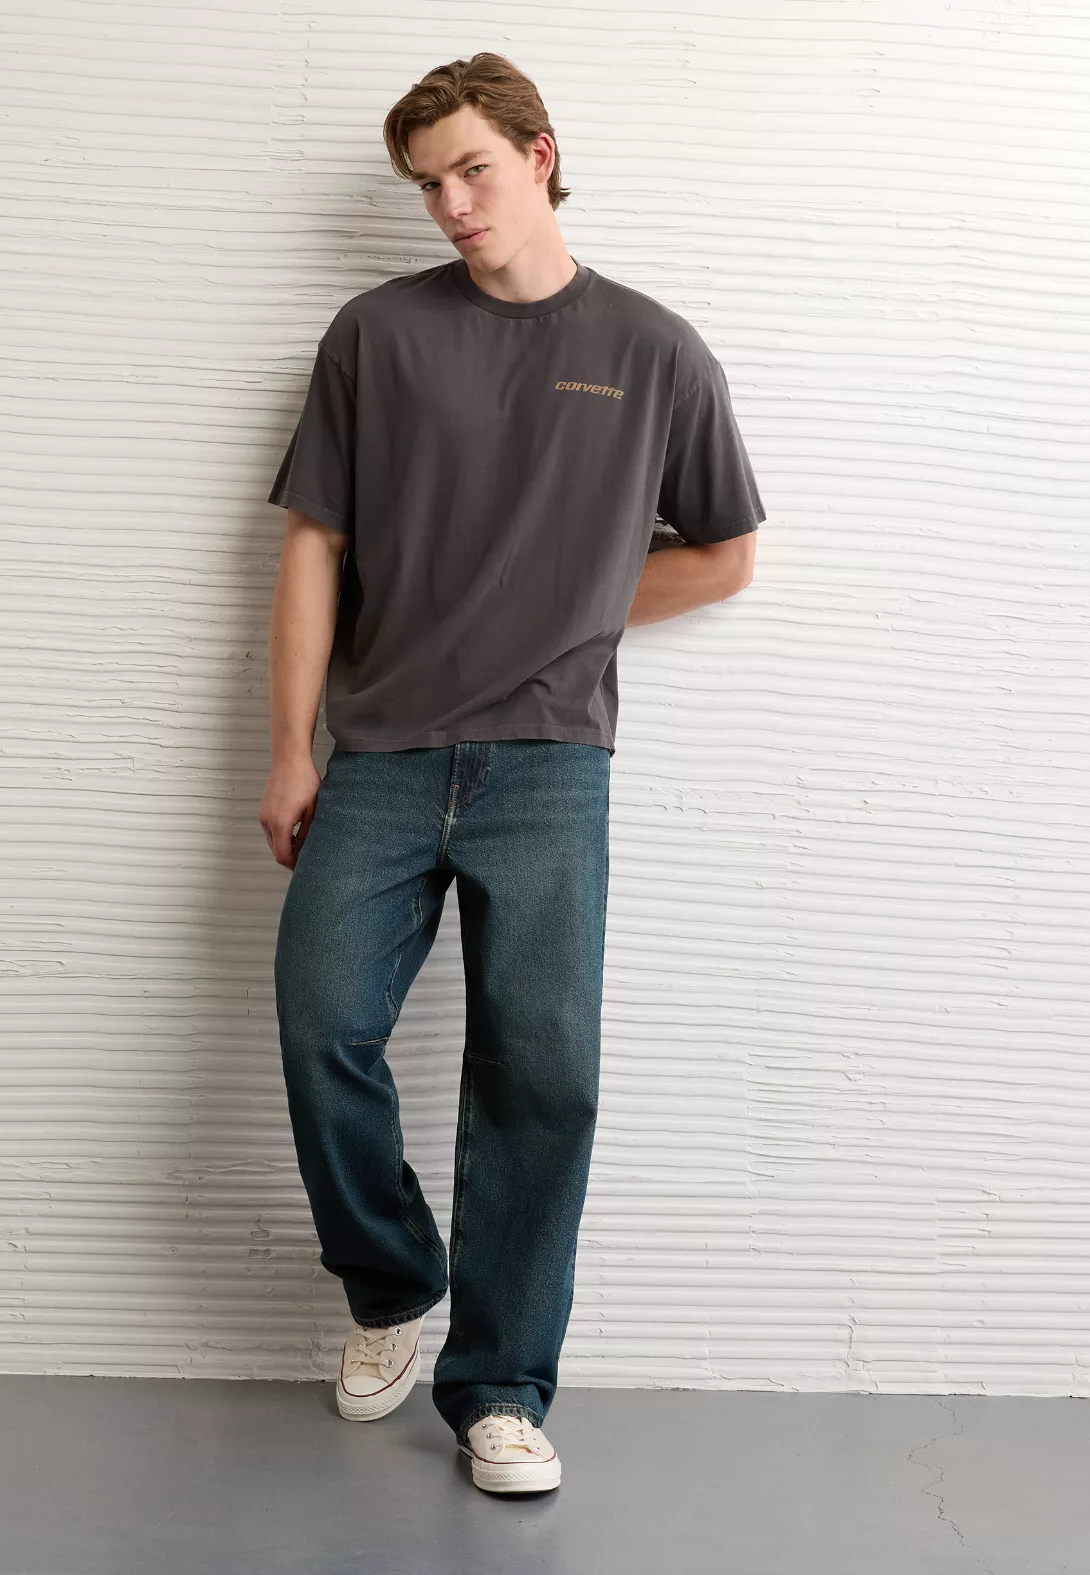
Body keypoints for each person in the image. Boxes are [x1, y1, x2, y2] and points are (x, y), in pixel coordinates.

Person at [259, 52, 765, 1496]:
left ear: (540, 155)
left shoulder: (653, 349)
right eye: (428, 185)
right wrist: (288, 748)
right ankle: (392, 1283)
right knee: (319, 1023)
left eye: (472, 169)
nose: (452, 205)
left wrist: (569, 613)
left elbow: (725, 553)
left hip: (549, 764)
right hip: (380, 753)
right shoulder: (376, 335)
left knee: (543, 1075)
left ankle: (498, 1389)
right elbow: (313, 546)